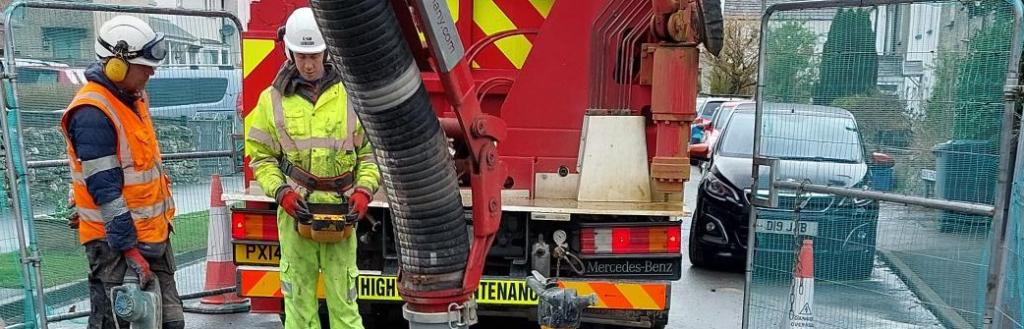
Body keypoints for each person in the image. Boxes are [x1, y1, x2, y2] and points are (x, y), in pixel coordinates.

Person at [245, 7, 380, 329]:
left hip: (342, 212)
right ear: (289, 52)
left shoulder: (352, 97)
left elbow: (371, 155)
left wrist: (363, 193)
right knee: (299, 309)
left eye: (315, 56)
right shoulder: (271, 99)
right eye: (301, 56)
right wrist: (282, 194)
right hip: (296, 213)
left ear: (327, 52)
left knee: (345, 308)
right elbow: (261, 156)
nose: (308, 64)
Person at [59, 15, 182, 329]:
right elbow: (107, 191)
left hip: (152, 237)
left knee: (169, 322)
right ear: (116, 66)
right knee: (120, 322)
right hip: (116, 246)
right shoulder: (92, 112)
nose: (151, 72)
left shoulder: (133, 98)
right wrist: (130, 250)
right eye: (144, 66)